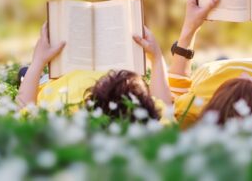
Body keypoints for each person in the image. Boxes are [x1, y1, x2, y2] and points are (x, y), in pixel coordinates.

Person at [16, 22, 172, 123]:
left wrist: (37, 62)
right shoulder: (153, 119)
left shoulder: (64, 117)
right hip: (122, 85)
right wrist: (156, 57)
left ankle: (27, 72)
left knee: (26, 73)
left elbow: (23, 108)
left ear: (90, 103)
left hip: (57, 80)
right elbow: (163, 105)